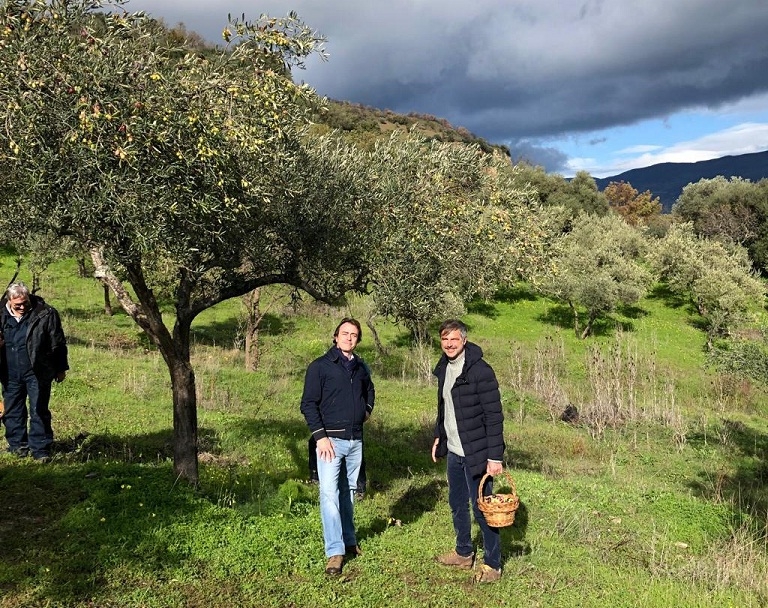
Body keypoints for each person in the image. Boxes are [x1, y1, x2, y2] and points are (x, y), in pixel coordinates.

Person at [431, 319, 505, 584]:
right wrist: (439, 436)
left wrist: (494, 457)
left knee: (483, 508)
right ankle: (464, 553)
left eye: (454, 339)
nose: (449, 344)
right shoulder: (444, 368)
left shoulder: (480, 371)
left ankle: (493, 564)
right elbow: (445, 408)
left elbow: (494, 416)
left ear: (464, 340)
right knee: (456, 504)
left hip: (477, 454)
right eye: (444, 339)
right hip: (454, 451)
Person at [300, 318, 374, 576]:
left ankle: (349, 540)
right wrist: (320, 437)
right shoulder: (320, 367)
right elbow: (308, 404)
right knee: (330, 495)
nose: (349, 338)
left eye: (354, 335)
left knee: (349, 491)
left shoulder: (361, 367)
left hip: (355, 440)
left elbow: (370, 390)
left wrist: (367, 410)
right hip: (330, 442)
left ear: (358, 339)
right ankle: (334, 552)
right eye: (345, 333)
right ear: (335, 336)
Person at [0, 283, 69, 461]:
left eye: (25, 303)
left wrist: (61, 368)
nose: (22, 307)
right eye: (18, 305)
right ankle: (18, 447)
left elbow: (58, 342)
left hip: (38, 371)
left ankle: (41, 450)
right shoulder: (0, 314)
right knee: (13, 410)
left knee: (38, 409)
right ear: (9, 301)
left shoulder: (45, 313)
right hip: (9, 372)